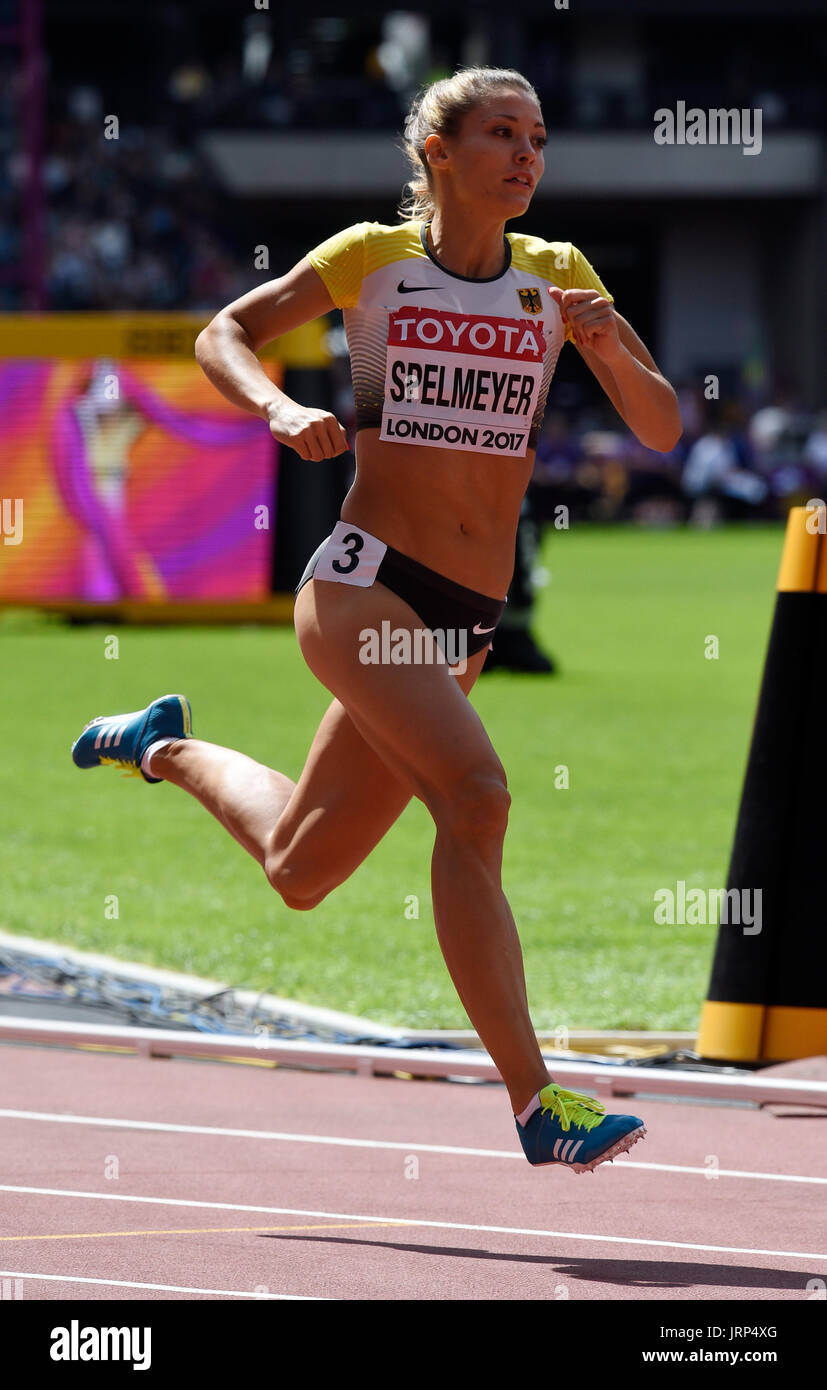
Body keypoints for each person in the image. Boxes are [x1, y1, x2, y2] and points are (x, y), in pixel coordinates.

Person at [72, 66, 681, 1173]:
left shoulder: (558, 277)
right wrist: (279, 404)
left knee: (301, 867)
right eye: (500, 133)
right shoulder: (371, 260)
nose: (525, 155)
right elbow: (224, 333)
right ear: (437, 150)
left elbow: (660, 428)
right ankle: (537, 1100)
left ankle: (156, 742)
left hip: (465, 620)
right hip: (365, 583)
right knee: (477, 796)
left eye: (537, 137)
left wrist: (602, 347)